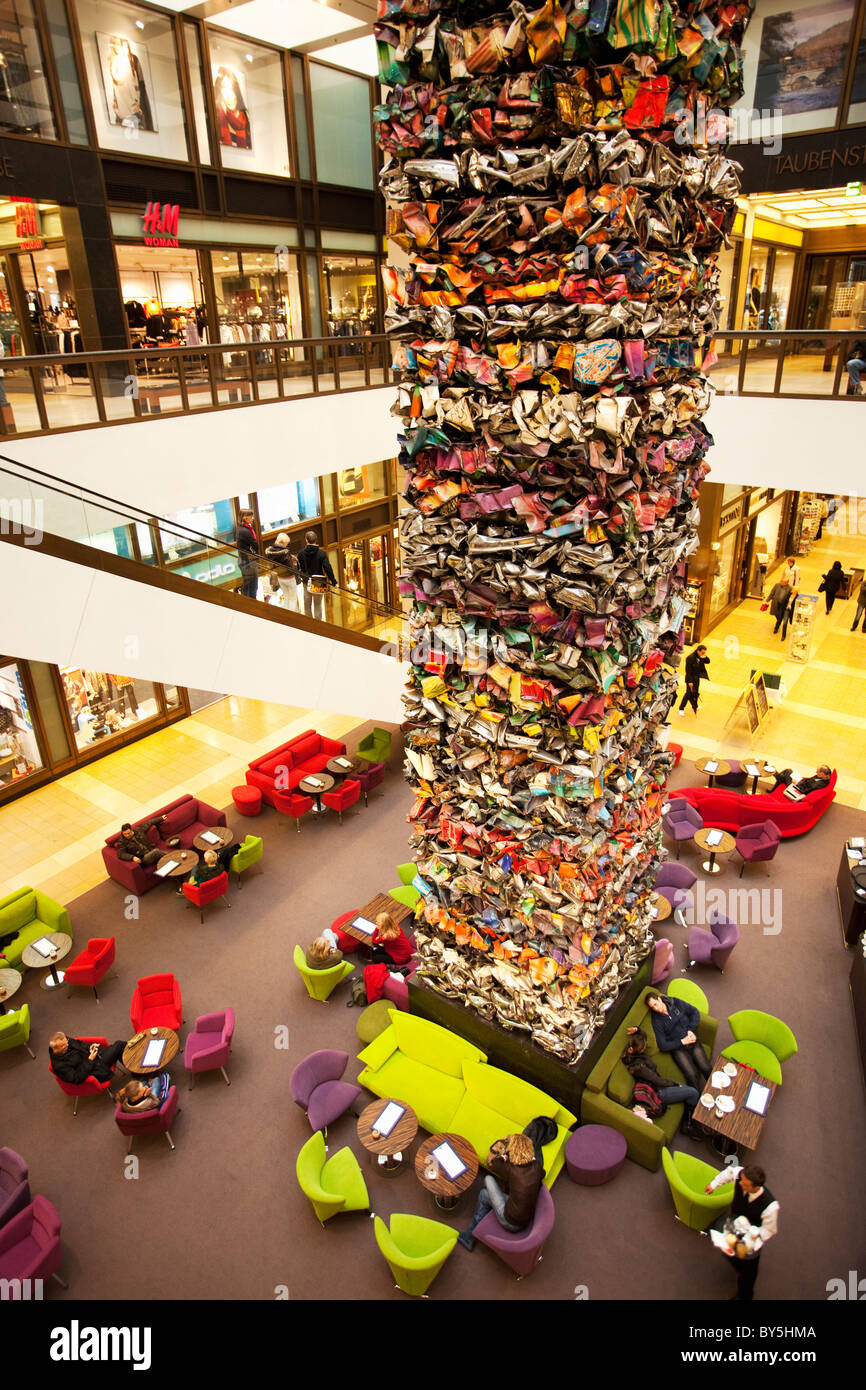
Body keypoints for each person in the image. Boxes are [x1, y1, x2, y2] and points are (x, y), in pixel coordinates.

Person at [705, 1163, 779, 1301]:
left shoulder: (770, 1207)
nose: (740, 1183)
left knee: (749, 1272)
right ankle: (737, 1264)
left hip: (752, 1237)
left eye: (745, 1184)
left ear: (755, 1187)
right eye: (742, 1179)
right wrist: (714, 1184)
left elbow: (769, 1230)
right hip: (734, 1224)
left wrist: (751, 1237)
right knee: (729, 1251)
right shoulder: (740, 1175)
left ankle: (745, 1296)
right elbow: (728, 1174)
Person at [457, 1133, 543, 1251]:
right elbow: (542, 1174)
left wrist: (504, 1152)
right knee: (484, 1195)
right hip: (525, 1217)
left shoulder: (512, 1170)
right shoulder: (536, 1166)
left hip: (511, 1221)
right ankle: (470, 1236)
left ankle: (470, 1237)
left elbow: (493, 1163)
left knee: (488, 1179)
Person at [622, 1027, 703, 1137]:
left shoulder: (634, 1050)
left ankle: (692, 1116)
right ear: (635, 1050)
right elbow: (657, 1081)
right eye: (643, 1049)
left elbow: (643, 1036)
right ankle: (687, 1125)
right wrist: (674, 1084)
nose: (644, 1049)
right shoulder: (639, 1067)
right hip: (658, 1092)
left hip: (658, 1084)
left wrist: (637, 1030)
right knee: (693, 1092)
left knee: (688, 1090)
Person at [645, 991, 712, 1092]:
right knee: (691, 1075)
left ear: (659, 999)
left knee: (705, 1067)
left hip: (692, 1039)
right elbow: (662, 1045)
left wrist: (691, 1029)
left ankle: (716, 1090)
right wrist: (681, 1042)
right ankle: (695, 1103)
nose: (655, 1008)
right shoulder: (656, 1020)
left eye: (655, 1004)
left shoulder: (675, 1002)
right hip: (678, 1048)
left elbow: (694, 1012)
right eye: (652, 1007)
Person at [49, 1032, 127, 1085]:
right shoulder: (59, 1065)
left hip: (94, 1056)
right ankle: (135, 1068)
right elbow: (76, 1078)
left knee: (119, 1048)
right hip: (94, 1069)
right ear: (55, 1049)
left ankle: (134, 1068)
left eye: (67, 1042)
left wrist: (89, 1046)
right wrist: (90, 1060)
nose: (67, 1045)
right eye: (63, 1046)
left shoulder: (65, 1041)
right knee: (119, 1045)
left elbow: (79, 1043)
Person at [296, 530, 337, 622]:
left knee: (307, 605)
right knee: (318, 605)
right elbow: (327, 568)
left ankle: (309, 625)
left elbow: (298, 568)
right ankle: (318, 626)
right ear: (316, 540)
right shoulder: (321, 553)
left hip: (306, 582)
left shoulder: (301, 553)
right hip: (318, 583)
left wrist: (302, 577)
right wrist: (333, 581)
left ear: (306, 540)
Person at [264, 531, 300, 611]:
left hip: (280, 577)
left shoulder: (270, 551)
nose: (286, 545)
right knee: (293, 598)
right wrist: (296, 568)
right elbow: (290, 567)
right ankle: (292, 616)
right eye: (286, 543)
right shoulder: (285, 552)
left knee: (286, 597)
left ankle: (286, 614)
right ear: (282, 542)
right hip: (289, 578)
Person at [678, 644, 710, 715]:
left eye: (704, 653)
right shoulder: (690, 658)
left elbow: (708, 661)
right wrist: (689, 681)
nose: (703, 654)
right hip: (690, 679)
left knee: (695, 693)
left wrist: (704, 657)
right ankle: (681, 708)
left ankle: (695, 706)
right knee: (688, 694)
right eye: (702, 652)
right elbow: (688, 671)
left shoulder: (700, 656)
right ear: (698, 651)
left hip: (697, 678)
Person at [235, 510, 260, 600]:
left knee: (247, 586)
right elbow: (255, 545)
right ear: (245, 518)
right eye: (251, 516)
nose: (253, 518)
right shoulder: (245, 531)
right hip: (248, 563)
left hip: (243, 560)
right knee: (252, 587)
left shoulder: (240, 528)